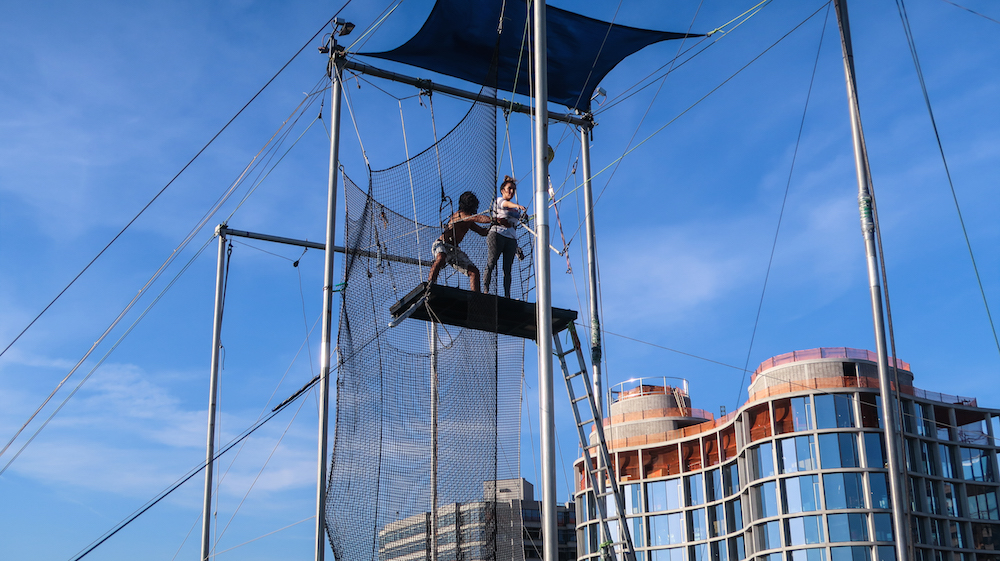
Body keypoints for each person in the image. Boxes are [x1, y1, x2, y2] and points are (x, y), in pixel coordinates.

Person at [427, 191, 491, 292]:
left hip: (454, 250)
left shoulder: (469, 220)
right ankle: (430, 285)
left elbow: (482, 232)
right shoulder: (460, 215)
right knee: (441, 258)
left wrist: (494, 227)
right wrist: (494, 219)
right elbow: (477, 218)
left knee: (474, 272)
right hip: (441, 244)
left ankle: (477, 298)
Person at [484, 175, 527, 298]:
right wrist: (517, 206)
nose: (511, 191)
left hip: (511, 239)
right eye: (509, 188)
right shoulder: (499, 201)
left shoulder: (515, 209)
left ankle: (507, 295)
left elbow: (517, 221)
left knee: (507, 269)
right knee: (491, 262)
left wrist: (523, 215)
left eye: (513, 189)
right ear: (503, 190)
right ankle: (486, 289)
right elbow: (505, 204)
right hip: (497, 235)